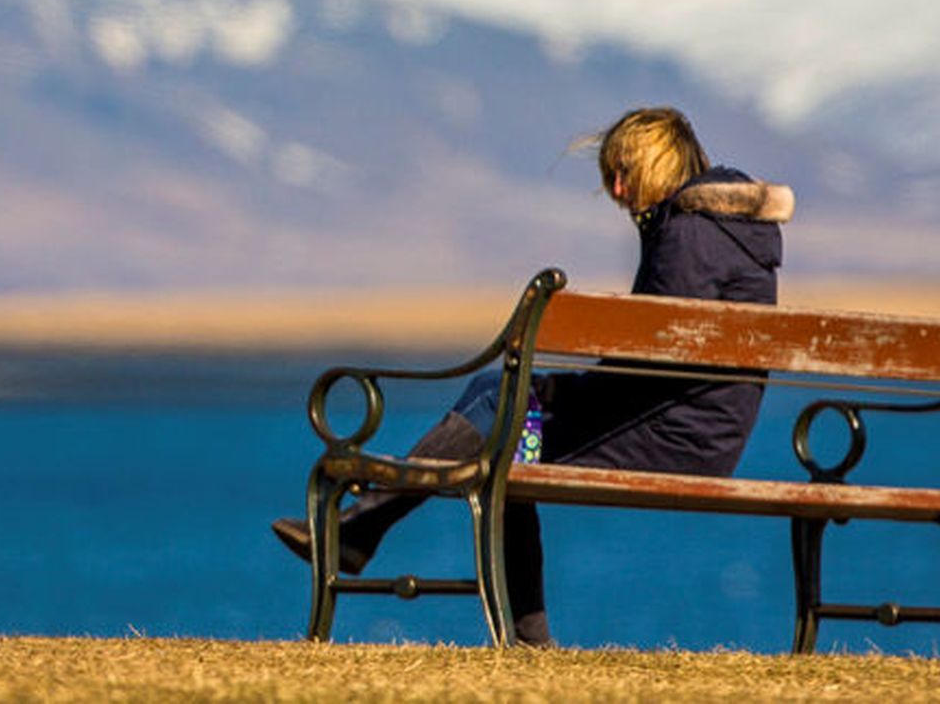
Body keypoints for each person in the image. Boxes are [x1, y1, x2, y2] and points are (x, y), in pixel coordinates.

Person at [272, 107, 794, 646]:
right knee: (506, 419)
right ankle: (372, 535)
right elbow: (661, 353)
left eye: (625, 172)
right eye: (610, 176)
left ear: (658, 163)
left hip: (672, 435)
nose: (616, 189)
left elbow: (654, 353)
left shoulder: (689, 231)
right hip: (698, 428)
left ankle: (365, 530)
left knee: (505, 420)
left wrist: (567, 389)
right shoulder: (728, 230)